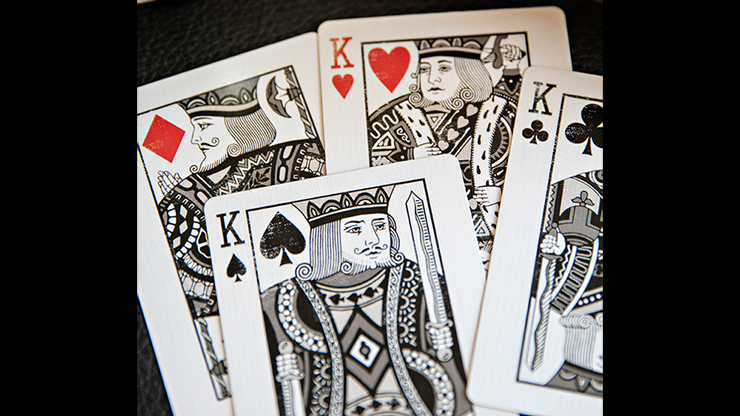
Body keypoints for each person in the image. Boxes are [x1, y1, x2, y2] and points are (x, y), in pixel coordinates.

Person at [154, 70, 325, 398]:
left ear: (239, 127)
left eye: (204, 126)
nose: (195, 140)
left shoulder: (299, 161)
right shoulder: (180, 201)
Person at [260, 188, 472, 416]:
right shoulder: (284, 298)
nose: (373, 240)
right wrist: (289, 372)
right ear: (328, 237)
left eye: (380, 226)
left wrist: (446, 344)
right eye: (355, 230)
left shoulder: (417, 279)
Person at [367, 36, 525, 265]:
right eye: (424, 69)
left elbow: (530, 161)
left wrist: (500, 195)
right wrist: (412, 156)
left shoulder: (494, 112)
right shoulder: (403, 115)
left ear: (469, 72)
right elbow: (371, 163)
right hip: (423, 231)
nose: (432, 78)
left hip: (488, 230)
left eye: (444, 68)